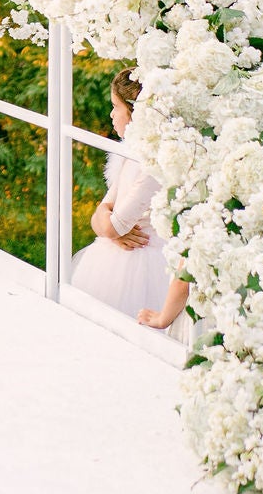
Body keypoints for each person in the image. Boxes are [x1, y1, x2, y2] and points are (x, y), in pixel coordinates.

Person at [71, 69, 188, 332]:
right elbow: (103, 210)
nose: (112, 114)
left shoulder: (152, 162)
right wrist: (107, 224)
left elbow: (115, 225)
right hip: (113, 257)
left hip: (142, 262)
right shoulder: (129, 152)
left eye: (116, 107)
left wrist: (109, 228)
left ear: (134, 113)